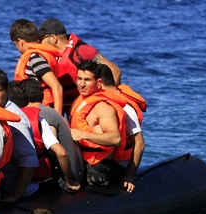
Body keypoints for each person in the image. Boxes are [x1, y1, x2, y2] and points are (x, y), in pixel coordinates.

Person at [8, 79, 81, 192]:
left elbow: (58, 152)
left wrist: (69, 183)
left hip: (69, 174)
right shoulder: (47, 110)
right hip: (75, 168)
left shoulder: (41, 115)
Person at [0, 69, 40, 203]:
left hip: (5, 185)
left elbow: (29, 160)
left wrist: (15, 195)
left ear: (6, 91)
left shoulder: (15, 121)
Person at [38, 18, 122, 116]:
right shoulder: (49, 57)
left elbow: (115, 71)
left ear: (53, 38)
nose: (39, 43)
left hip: (89, 107)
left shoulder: (81, 51)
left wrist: (102, 99)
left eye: (41, 39)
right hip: (69, 108)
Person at [69, 61, 129, 187]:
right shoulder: (81, 101)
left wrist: (83, 135)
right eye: (79, 79)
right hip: (83, 161)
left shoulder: (103, 107)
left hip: (98, 166)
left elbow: (115, 138)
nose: (82, 84)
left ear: (98, 82)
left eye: (87, 80)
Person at [97, 64, 146, 192]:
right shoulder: (101, 102)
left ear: (99, 84)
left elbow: (139, 144)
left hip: (119, 165)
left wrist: (129, 176)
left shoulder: (125, 108)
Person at [10, 19, 62, 114]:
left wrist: (57, 117)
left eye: (15, 44)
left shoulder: (35, 58)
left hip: (42, 110)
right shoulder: (35, 56)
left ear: (20, 41)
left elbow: (57, 87)